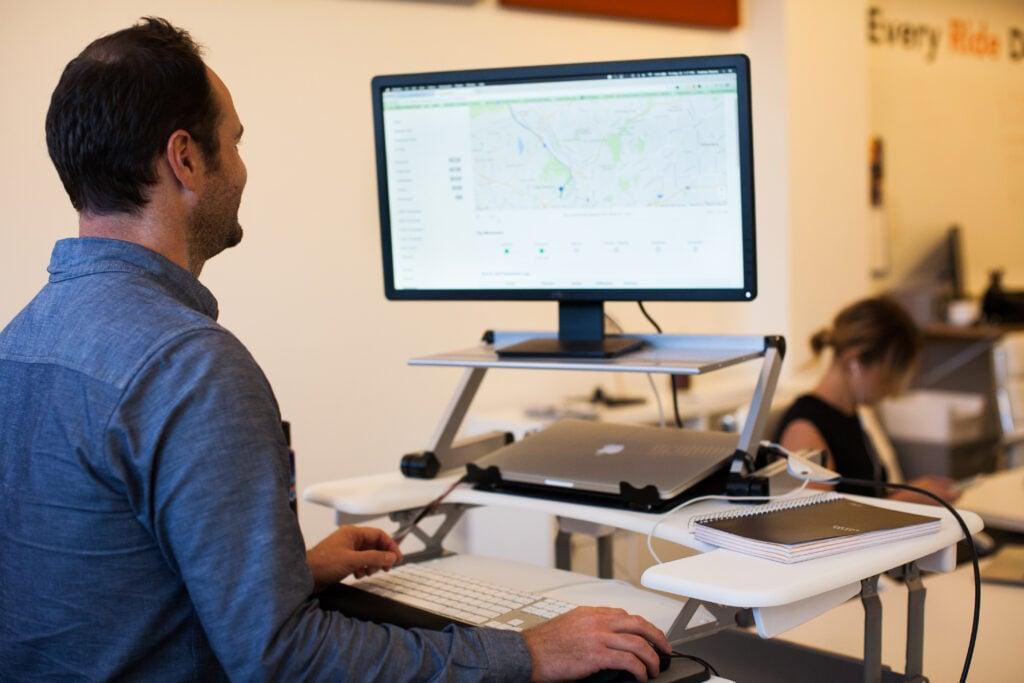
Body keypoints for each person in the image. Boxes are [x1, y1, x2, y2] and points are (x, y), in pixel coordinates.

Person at [0, 18, 670, 681]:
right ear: (185, 159)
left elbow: (91, 586)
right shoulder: (190, 368)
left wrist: (281, 574)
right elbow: (287, 661)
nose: (241, 168)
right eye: (233, 143)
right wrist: (527, 651)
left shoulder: (19, 343)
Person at [775, 297, 959, 504]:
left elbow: (865, 497)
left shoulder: (848, 413)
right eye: (888, 377)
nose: (890, 390)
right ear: (855, 363)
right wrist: (906, 499)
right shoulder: (805, 429)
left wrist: (914, 491)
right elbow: (814, 523)